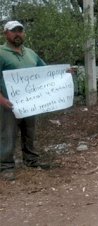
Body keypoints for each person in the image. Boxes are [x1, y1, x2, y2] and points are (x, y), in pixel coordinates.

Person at [0, 21, 50, 181]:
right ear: (5, 33)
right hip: (8, 105)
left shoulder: (30, 53)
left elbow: (45, 71)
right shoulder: (1, 53)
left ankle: (31, 161)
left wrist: (64, 72)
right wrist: (1, 100)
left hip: (30, 102)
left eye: (20, 31)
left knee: (30, 132)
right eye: (13, 31)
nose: (17, 34)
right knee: (7, 135)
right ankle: (6, 166)